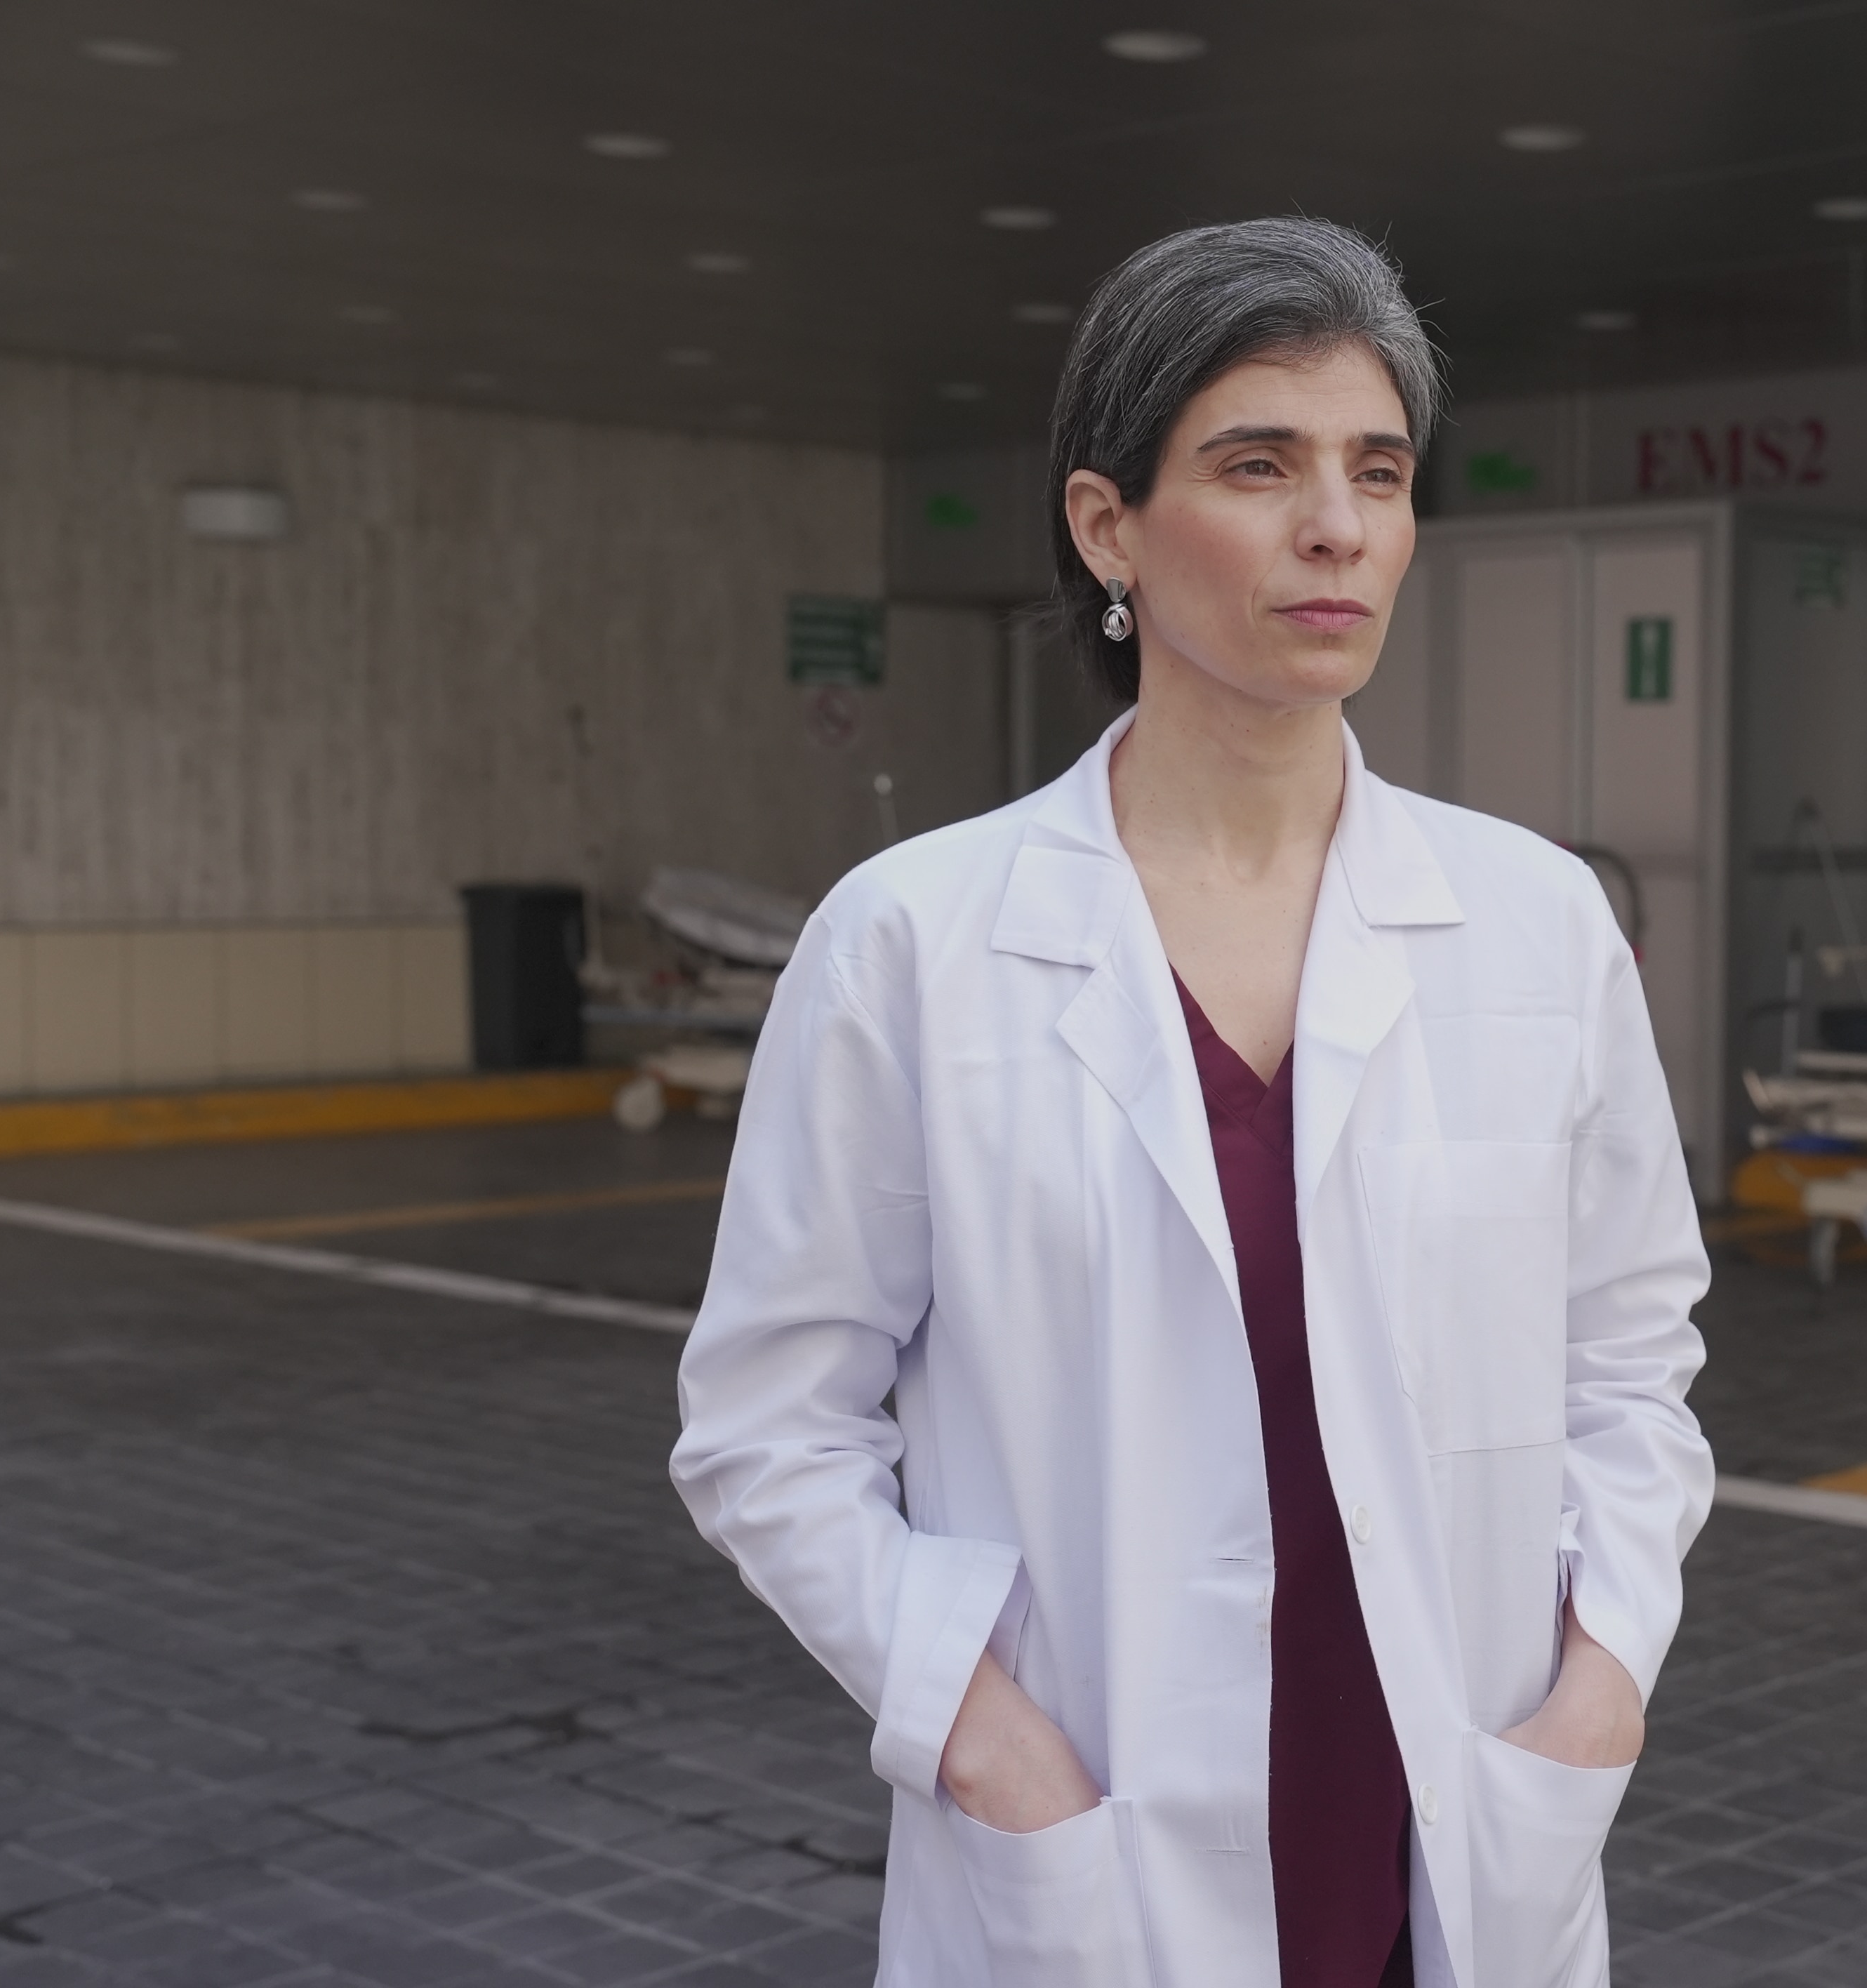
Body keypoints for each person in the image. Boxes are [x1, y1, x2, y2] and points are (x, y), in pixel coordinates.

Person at [670, 216, 1711, 1988]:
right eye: (1258, 464)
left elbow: (1628, 1361)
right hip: (1089, 1838)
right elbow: (770, 1429)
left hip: (1456, 1815)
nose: (1337, 526)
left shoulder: (1533, 925)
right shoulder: (918, 945)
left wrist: (1600, 1683)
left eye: (1375, 472)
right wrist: (981, 1736)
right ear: (1106, 528)